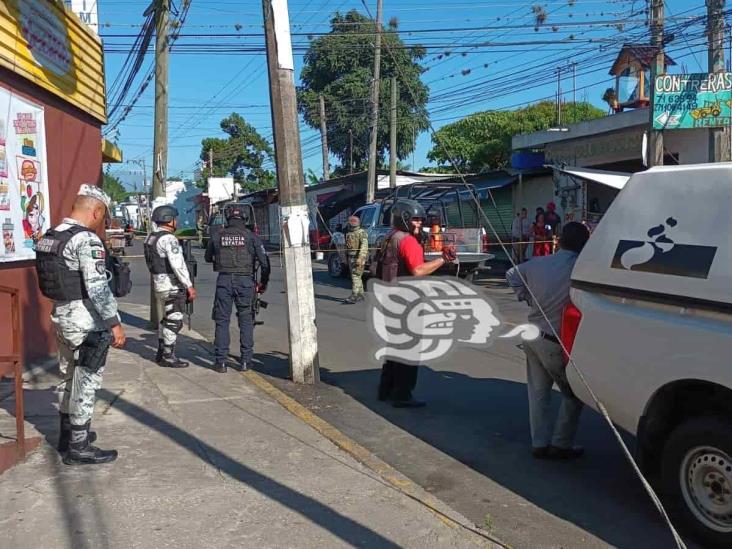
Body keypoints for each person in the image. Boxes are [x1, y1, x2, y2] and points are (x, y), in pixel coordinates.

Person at [35, 184, 126, 465]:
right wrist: (115, 324)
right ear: (96, 210)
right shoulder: (85, 240)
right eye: (102, 215)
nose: (101, 221)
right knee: (86, 380)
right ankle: (79, 446)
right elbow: (98, 287)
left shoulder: (50, 236)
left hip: (61, 314)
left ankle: (68, 435)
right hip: (85, 319)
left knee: (67, 375)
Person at [505, 222, 591, 460]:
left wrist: (525, 296)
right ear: (584, 244)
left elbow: (510, 274)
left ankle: (539, 443)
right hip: (553, 341)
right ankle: (561, 444)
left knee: (538, 393)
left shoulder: (539, 263)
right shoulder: (580, 268)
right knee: (573, 395)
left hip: (532, 334)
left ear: (560, 241)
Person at [376, 199, 457, 408]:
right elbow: (418, 270)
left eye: (421, 219)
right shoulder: (408, 241)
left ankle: (386, 390)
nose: (419, 223)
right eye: (415, 219)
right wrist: (443, 260)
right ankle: (402, 394)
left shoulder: (389, 237)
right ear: (404, 219)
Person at [205, 203, 270, 374]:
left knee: (222, 321)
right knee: (246, 321)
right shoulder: (251, 237)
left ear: (228, 218)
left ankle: (221, 362)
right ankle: (246, 361)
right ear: (245, 218)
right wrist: (262, 284)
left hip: (224, 280)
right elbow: (265, 264)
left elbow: (207, 257)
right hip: (245, 281)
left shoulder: (217, 235)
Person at [144, 205, 197, 368]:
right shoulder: (168, 239)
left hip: (158, 283)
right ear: (169, 220)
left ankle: (161, 352)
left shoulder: (151, 237)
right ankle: (168, 355)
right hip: (170, 284)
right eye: (175, 218)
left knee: (166, 319)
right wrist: (189, 285)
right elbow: (178, 264)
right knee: (174, 320)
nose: (177, 221)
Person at [343, 215, 369, 304]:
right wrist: (346, 258)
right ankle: (360, 295)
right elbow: (347, 247)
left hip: (357, 258)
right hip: (351, 258)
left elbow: (364, 246)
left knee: (355, 277)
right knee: (357, 276)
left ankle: (354, 295)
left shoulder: (361, 233)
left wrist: (361, 258)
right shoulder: (349, 233)